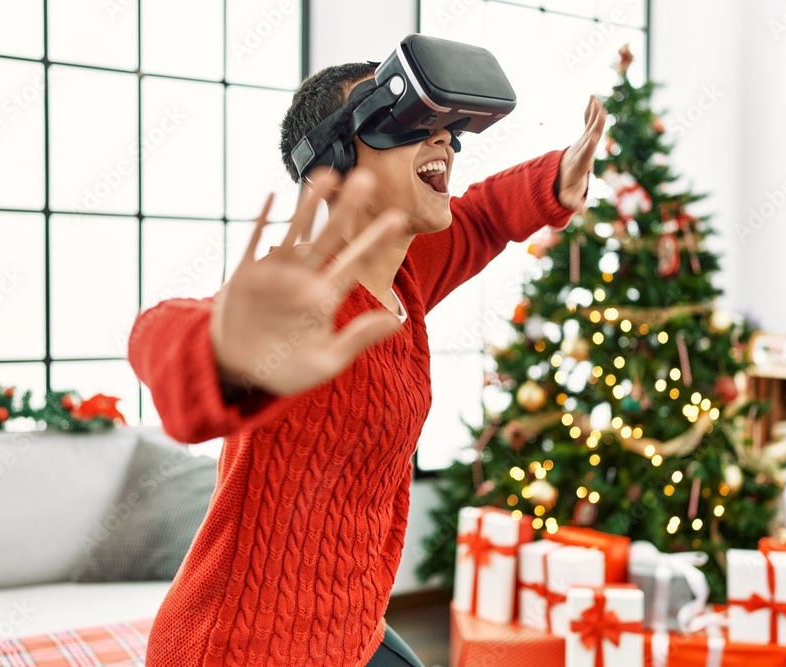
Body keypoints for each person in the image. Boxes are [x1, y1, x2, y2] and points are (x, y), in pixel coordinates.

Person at [128, 59, 606, 666]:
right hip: (239, 647)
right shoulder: (301, 291)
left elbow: (483, 216)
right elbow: (156, 333)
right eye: (407, 121)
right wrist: (224, 350)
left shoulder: (405, 277)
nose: (443, 139)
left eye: (446, 127)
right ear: (335, 164)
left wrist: (556, 180)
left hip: (349, 630)